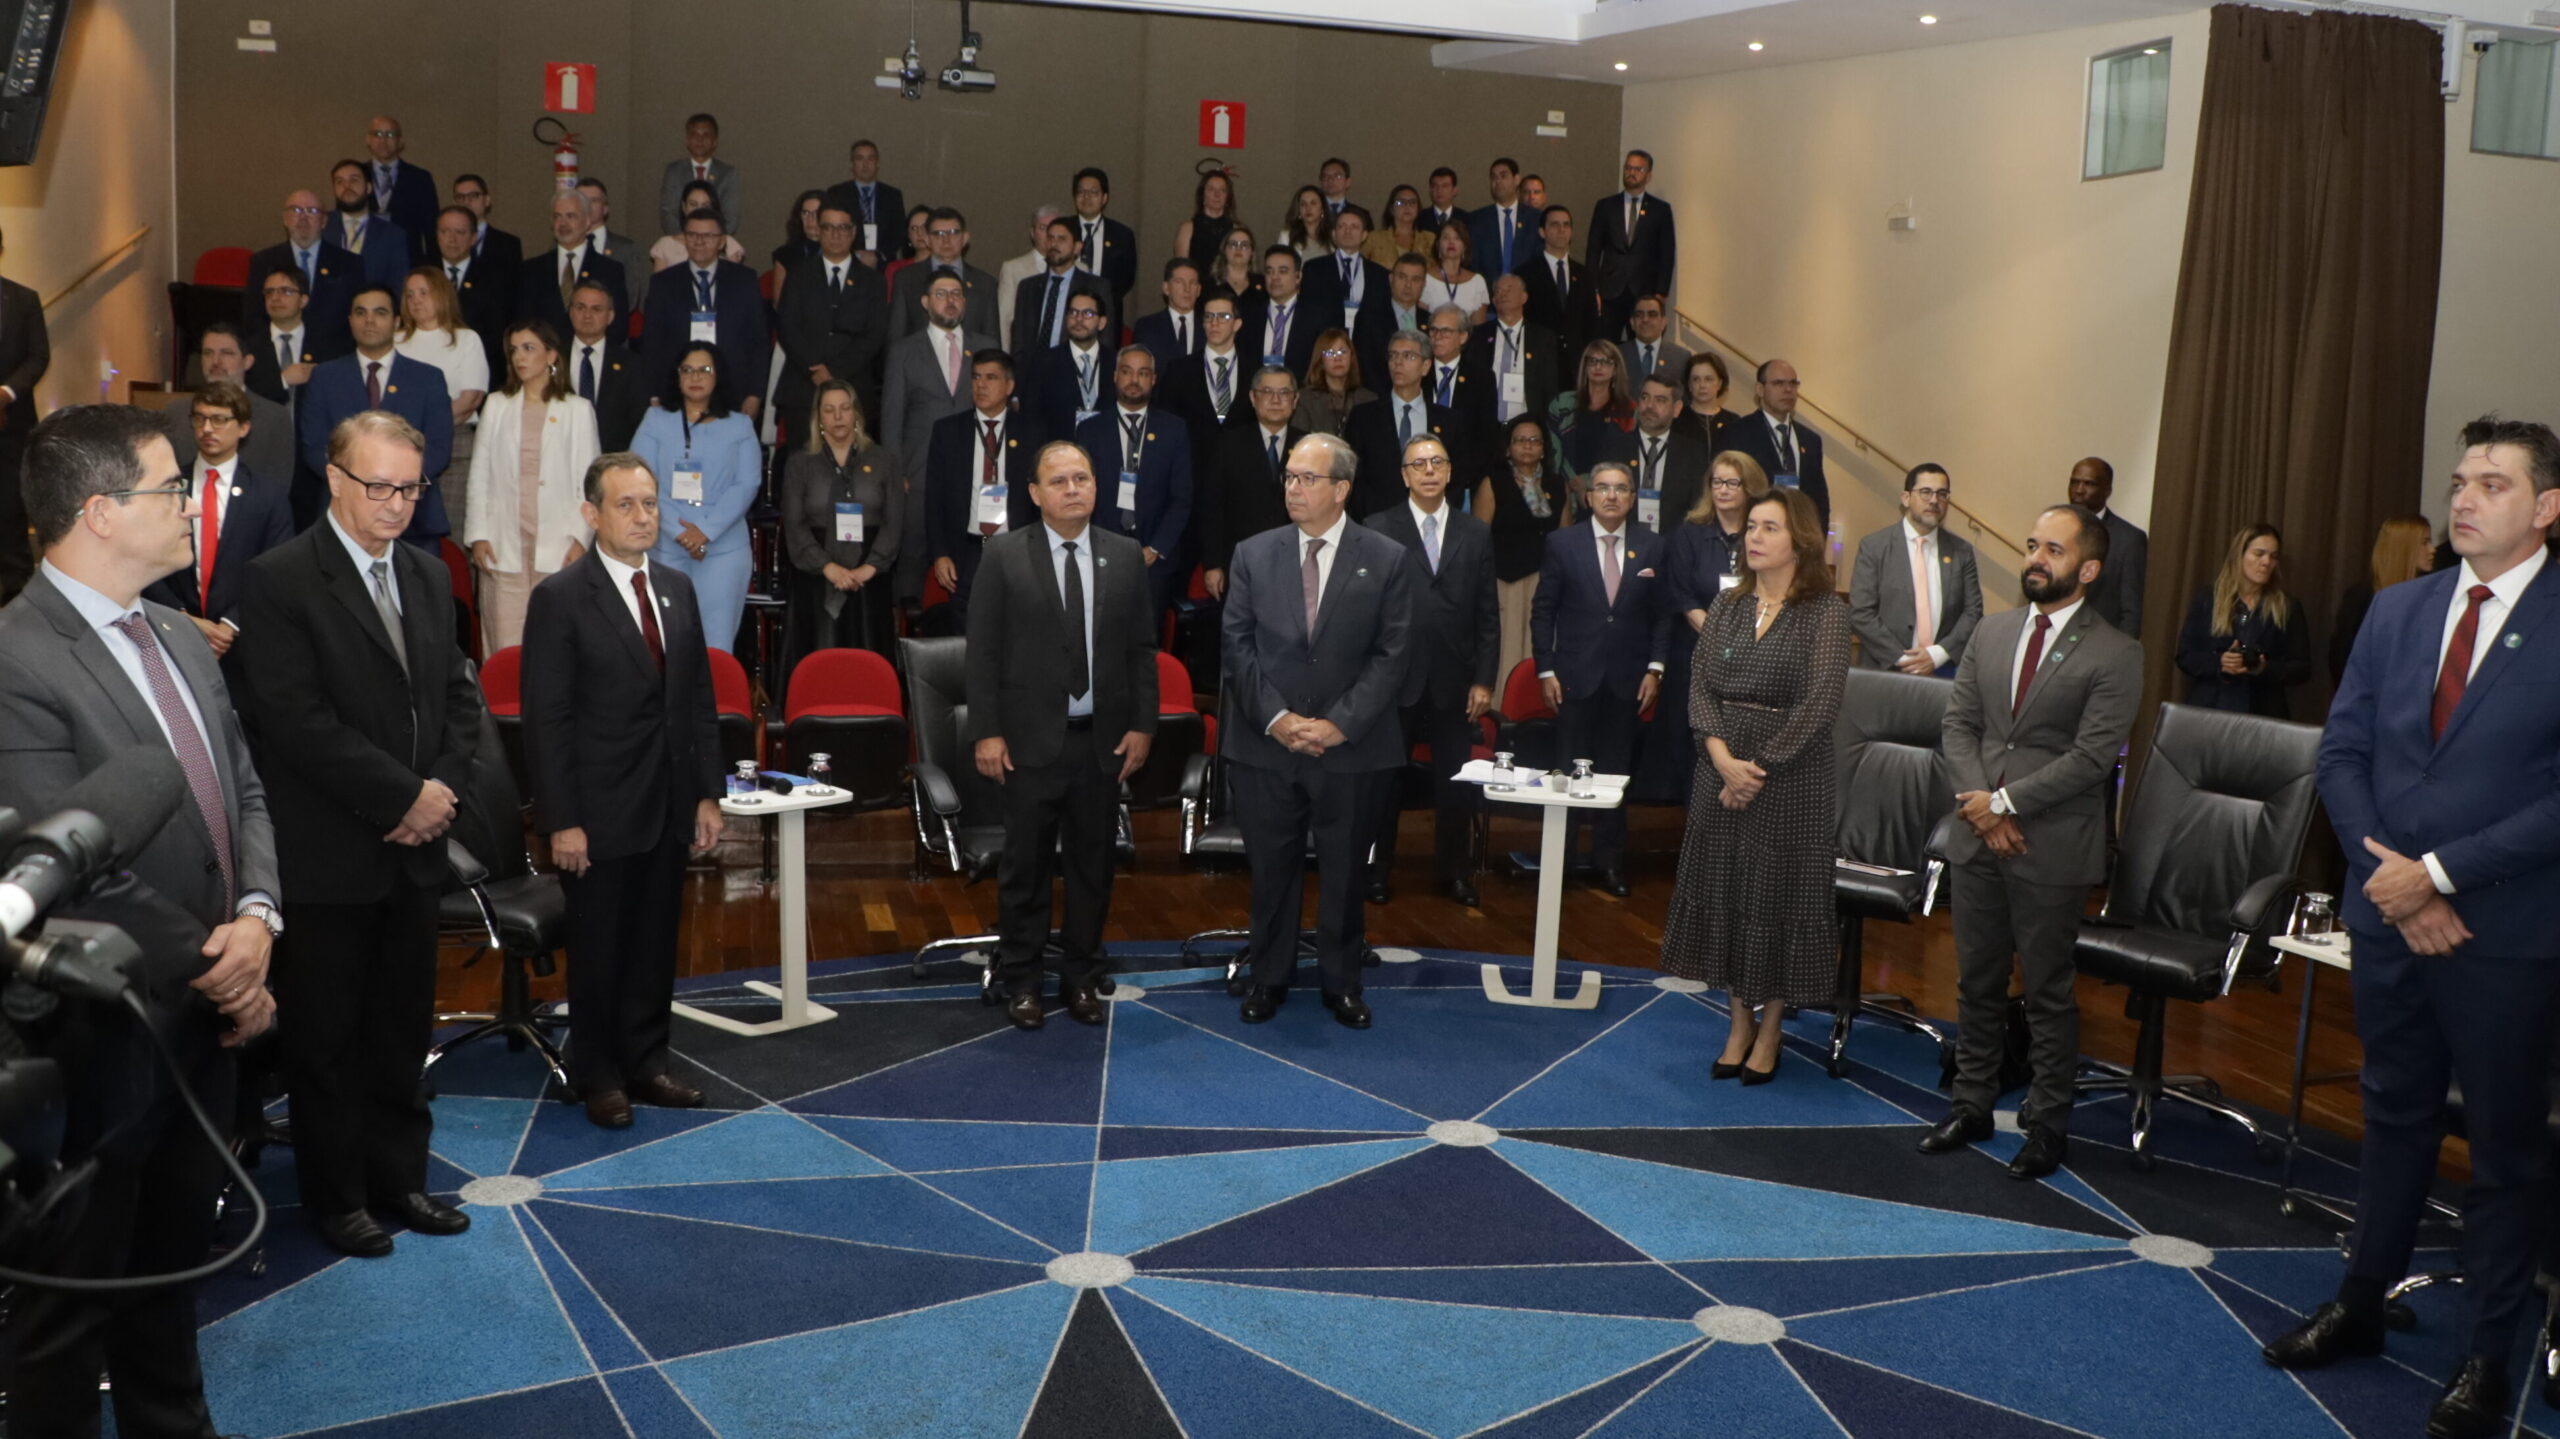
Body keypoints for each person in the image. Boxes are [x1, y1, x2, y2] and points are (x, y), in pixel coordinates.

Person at [2276, 417, 2560, 1439]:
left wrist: (2437, 875)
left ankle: (2487, 1354)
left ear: (2546, 506)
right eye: (2459, 479)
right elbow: (2341, 751)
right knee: (2390, 1115)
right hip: (2390, 918)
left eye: (2493, 480)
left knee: (2501, 1146)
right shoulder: (2398, 610)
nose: (2466, 496)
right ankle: (2361, 1299)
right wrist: (2391, 875)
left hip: (2506, 935)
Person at [0, 404, 280, 1438]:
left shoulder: (179, 630)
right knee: (70, 1304)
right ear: (102, 511)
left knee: (170, 1271)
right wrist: (223, 962)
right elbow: (62, 860)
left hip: (205, 1012)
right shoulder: (17, 654)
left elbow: (242, 787)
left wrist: (256, 914)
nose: (191, 503)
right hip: (94, 1035)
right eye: (172, 487)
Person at [236, 409, 482, 1258]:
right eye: (379, 485)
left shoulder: (426, 574)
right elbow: (295, 723)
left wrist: (439, 788)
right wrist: (402, 797)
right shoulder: (279, 579)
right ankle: (337, 1197)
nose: (396, 503)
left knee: (401, 1029)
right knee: (328, 1039)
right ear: (335, 479)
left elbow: (455, 693)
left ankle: (399, 1179)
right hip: (330, 853)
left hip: (416, 852)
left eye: (411, 487)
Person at [1923, 503, 2141, 1179]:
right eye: (2031, 544)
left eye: (2053, 548)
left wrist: (2007, 802)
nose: (2035, 559)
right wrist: (1983, 810)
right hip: (1979, 834)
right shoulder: (1991, 633)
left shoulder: (2117, 651)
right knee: (1977, 981)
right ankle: (1973, 1102)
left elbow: (2092, 755)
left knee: (2047, 990)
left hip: (2050, 843)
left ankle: (2048, 1123)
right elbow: (1959, 726)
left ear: (2090, 567)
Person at [521, 452, 723, 1129]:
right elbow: (548, 719)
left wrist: (705, 795)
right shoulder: (560, 597)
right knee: (601, 946)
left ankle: (647, 1061)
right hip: (597, 813)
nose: (644, 516)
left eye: (650, 503)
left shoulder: (675, 587)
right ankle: (599, 1072)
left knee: (654, 942)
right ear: (592, 513)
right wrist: (562, 819)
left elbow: (696, 699)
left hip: (667, 805)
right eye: (627, 505)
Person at [1221, 433, 1416, 1029]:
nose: (1294, 489)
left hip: (1351, 749)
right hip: (1266, 744)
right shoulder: (1253, 553)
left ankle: (1341, 983)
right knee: (1272, 872)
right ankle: (1268, 977)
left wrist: (1338, 725)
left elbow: (1394, 653)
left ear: (1342, 489)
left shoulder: (1385, 557)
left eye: (1307, 478)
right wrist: (1279, 720)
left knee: (1344, 872)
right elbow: (1237, 644)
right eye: (1289, 477)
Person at [967, 440, 1157, 1031]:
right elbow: (983, 652)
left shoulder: (1125, 555)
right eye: (1059, 481)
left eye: (1082, 477)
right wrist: (987, 732)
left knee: (1092, 867)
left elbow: (1141, 650)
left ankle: (1081, 976)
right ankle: (1022, 977)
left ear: (1097, 485)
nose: (1072, 489)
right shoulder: (1002, 555)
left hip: (1101, 743)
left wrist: (1143, 725)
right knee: (1024, 868)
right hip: (1026, 743)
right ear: (1034, 493)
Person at [1662, 486, 1850, 1079]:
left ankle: (1770, 1033)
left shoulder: (1825, 612)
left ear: (1800, 540)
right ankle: (1737, 1024)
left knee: (1775, 901)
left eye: (1769, 528)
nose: (1754, 538)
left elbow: (1818, 705)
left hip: (1789, 781)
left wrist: (1754, 772)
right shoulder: (1728, 606)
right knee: (1731, 898)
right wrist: (1720, 759)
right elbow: (1701, 688)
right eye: (1751, 528)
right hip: (1720, 772)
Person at [1364, 433, 1497, 906]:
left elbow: (1487, 614)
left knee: (1454, 785)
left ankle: (1455, 873)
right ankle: (1375, 872)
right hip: (1393, 679)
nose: (1428, 471)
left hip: (1454, 681)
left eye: (1436, 462)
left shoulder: (1475, 532)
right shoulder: (1378, 528)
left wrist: (1484, 678)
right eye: (1418, 464)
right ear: (1404, 475)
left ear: (1449, 471)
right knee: (1383, 784)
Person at [1531, 460, 1668, 896]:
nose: (1611, 496)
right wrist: (1546, 668)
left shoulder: (1652, 547)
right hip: (1573, 677)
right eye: (1603, 488)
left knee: (1614, 776)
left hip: (1627, 680)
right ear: (1588, 497)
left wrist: (1656, 668)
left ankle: (1609, 863)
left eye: (1621, 489)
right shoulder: (1562, 542)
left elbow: (1662, 614)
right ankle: (1562, 863)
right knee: (1568, 774)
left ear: (1633, 499)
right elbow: (1543, 610)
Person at [1638, 452, 1770, 804]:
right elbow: (1680, 594)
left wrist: (1745, 638)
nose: (1723, 490)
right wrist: (1719, 634)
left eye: (1732, 482)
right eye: (1717, 482)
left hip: (1752, 657)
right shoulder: (1690, 532)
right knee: (1690, 743)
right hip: (1695, 655)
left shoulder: (1761, 534)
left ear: (1750, 487)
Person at [465, 319, 599, 652]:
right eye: (514, 350)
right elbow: (479, 474)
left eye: (529, 349)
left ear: (552, 355)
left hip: (559, 542)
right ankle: (504, 706)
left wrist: (580, 537)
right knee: (504, 642)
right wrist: (479, 534)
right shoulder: (496, 405)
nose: (520, 358)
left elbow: (589, 482)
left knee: (555, 642)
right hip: (503, 540)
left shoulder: (577, 410)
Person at [142, 382, 295, 653]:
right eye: (200, 418)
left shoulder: (268, 495)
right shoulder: (167, 487)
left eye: (219, 420)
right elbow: (146, 557)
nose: (207, 429)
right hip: (175, 633)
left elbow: (277, 570)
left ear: (244, 428)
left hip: (243, 642)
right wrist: (183, 618)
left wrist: (230, 624)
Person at [295, 285, 453, 541]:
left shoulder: (428, 379)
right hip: (344, 516)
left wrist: (394, 488)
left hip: (415, 520)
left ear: (396, 321)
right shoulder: (325, 377)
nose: (369, 320)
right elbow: (315, 447)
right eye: (361, 312)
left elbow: (438, 448)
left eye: (379, 312)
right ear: (350, 320)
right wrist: (359, 486)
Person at [632, 344, 759, 652]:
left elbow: (747, 483)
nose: (695, 377)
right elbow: (641, 480)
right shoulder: (656, 419)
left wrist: (705, 531)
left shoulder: (739, 425)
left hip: (724, 549)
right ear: (677, 377)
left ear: (719, 376)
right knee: (666, 642)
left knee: (716, 645)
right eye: (687, 370)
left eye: (705, 369)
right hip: (666, 546)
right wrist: (681, 533)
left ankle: (714, 702)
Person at [881, 272, 997, 601]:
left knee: (974, 564)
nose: (950, 300)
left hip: (976, 476)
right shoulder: (903, 350)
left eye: (957, 294)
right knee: (911, 562)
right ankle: (904, 641)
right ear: (925, 302)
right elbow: (892, 417)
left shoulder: (986, 347)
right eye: (941, 293)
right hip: (918, 476)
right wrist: (895, 471)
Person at [782, 379, 900, 664]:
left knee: (868, 661)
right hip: (816, 576)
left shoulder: (883, 460)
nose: (838, 417)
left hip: (870, 575)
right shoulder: (800, 463)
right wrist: (827, 567)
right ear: (818, 417)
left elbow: (894, 520)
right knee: (822, 659)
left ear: (857, 413)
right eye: (829, 410)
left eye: (845, 408)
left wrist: (871, 567)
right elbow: (794, 523)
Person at [1075, 343, 1193, 625]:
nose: (1134, 380)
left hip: (1153, 562)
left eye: (1143, 373)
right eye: (1127, 372)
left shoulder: (1174, 429)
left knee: (1145, 648)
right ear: (1115, 376)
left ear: (1153, 380)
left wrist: (1155, 549)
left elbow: (1182, 497)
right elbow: (1080, 495)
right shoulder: (1090, 430)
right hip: (1101, 557)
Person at [923, 350, 1041, 625]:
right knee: (968, 635)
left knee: (1016, 632)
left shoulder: (1032, 432)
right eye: (976, 377)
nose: (981, 385)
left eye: (991, 377)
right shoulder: (948, 431)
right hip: (967, 551)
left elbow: (1041, 498)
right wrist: (940, 553)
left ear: (1009, 386)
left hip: (1017, 549)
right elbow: (934, 499)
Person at [1848, 462, 1982, 677]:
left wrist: (1936, 655)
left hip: (1943, 672)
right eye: (1925, 492)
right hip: (1885, 671)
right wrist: (1902, 659)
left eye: (1942, 494)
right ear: (1906, 498)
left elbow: (1973, 612)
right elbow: (1860, 613)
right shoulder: (1874, 547)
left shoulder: (1961, 552)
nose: (1934, 500)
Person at [775, 203, 889, 450]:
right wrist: (815, 369)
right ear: (818, 230)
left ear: (854, 231)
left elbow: (874, 335)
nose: (836, 234)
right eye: (828, 227)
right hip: (803, 387)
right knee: (801, 470)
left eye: (843, 227)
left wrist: (834, 371)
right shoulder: (798, 274)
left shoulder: (873, 281)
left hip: (854, 388)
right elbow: (787, 326)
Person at [640, 207, 768, 423]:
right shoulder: (663, 283)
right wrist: (654, 395)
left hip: (734, 390)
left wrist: (755, 394)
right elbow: (652, 343)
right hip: (677, 392)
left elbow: (758, 341)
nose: (699, 241)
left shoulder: (744, 280)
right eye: (692, 235)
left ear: (721, 241)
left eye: (708, 236)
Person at [2175, 523, 2309, 717]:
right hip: (2211, 709)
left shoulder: (2288, 606)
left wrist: (2264, 668)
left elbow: (2301, 668)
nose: (2266, 562)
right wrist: (2220, 662)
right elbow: (2185, 656)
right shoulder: (2208, 599)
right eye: (2259, 554)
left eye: (2273, 556)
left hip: (2262, 713)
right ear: (2240, 555)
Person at [1477, 414, 1570, 680]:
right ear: (1508, 447)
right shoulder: (1493, 483)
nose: (1527, 445)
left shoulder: (1557, 485)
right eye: (1520, 440)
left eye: (1534, 440)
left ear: (1544, 449)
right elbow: (1478, 542)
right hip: (1504, 582)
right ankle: (1501, 716)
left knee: (1538, 650)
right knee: (1505, 651)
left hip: (1546, 582)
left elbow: (1565, 539)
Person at [1200, 364, 1305, 600]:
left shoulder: (1308, 446)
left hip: (1296, 564)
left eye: (1284, 393)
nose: (1276, 400)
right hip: (1239, 563)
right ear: (1252, 397)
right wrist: (1213, 564)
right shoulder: (1228, 443)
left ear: (1295, 399)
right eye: (1267, 392)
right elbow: (1212, 508)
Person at [394, 267, 491, 519]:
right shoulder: (396, 340)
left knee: (451, 526)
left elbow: (470, 399)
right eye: (410, 294)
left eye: (423, 293)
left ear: (442, 295)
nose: (416, 300)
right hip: (401, 444)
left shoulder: (466, 339)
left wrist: (429, 427)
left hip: (455, 446)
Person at [158, 322, 293, 488]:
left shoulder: (275, 417)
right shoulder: (175, 413)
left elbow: (279, 486)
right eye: (208, 353)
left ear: (247, 361)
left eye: (226, 353)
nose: (215, 361)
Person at [1344, 331, 1456, 517]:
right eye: (1393, 355)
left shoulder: (1449, 421)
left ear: (1426, 366)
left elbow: (1455, 480)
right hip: (1376, 524)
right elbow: (1353, 476)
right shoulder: (1363, 417)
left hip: (1431, 522)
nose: (1398, 362)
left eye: (1408, 356)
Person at [245, 190, 359, 356]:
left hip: (333, 358)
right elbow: (253, 317)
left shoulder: (349, 264)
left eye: (312, 211)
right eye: (296, 210)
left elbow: (353, 318)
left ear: (324, 221)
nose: (303, 217)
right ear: (285, 219)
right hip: (279, 355)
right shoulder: (263, 261)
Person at [1725, 358, 1831, 531]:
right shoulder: (1737, 433)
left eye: (1793, 383)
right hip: (1755, 534)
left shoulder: (1810, 440)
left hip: (1800, 537)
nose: (1788, 390)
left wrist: (1817, 541)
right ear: (1760, 389)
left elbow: (1820, 499)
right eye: (1778, 383)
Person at [2329, 514, 2435, 686]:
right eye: (2424, 543)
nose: (2432, 549)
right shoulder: (2362, 597)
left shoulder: (2431, 597)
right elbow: (2342, 660)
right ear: (2404, 547)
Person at [516, 187, 627, 346]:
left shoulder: (610, 270)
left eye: (571, 216)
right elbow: (523, 322)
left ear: (587, 221)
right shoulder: (532, 270)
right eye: (557, 216)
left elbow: (618, 327)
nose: (563, 223)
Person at [1588, 149, 1677, 340]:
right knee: (1606, 346)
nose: (1631, 172)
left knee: (1641, 347)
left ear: (1649, 175)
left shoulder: (1660, 210)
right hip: (1610, 292)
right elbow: (1593, 250)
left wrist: (1661, 294)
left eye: (1638, 169)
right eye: (1628, 167)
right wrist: (1593, 289)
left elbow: (1667, 254)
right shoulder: (1606, 206)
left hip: (1645, 293)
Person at [889, 207, 1001, 346]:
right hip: (920, 364)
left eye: (954, 233)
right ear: (928, 240)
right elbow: (896, 337)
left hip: (970, 364)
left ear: (965, 238)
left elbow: (992, 339)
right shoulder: (906, 278)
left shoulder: (985, 283)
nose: (946, 240)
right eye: (938, 233)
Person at [2068, 456, 2149, 639]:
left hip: (2096, 643)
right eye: (2074, 483)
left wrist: (2119, 656)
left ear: (2107, 490)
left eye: (2089, 484)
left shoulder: (2129, 539)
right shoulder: (2054, 526)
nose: (2079, 491)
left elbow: (2131, 610)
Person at [1012, 214, 1114, 358]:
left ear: (1077, 247)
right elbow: (1019, 339)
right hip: (1032, 371)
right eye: (1050, 238)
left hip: (1073, 370)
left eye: (1061, 239)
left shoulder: (1096, 286)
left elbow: (1106, 338)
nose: (1054, 244)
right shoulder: (1028, 287)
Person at [564, 279, 648, 452]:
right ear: (571, 312)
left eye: (596, 309)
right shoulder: (552, 358)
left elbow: (638, 423)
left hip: (611, 463)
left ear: (610, 316)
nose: (587, 315)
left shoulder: (631, 365)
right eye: (580, 308)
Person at [1170, 290, 1253, 464]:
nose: (1214, 323)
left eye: (1223, 316)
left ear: (1237, 324)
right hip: (1192, 464)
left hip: (1240, 465)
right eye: (1209, 316)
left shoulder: (1254, 370)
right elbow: (1168, 422)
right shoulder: (1179, 370)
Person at [1021, 290, 1114, 440]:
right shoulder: (1044, 362)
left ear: (1102, 322)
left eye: (1088, 314)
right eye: (1073, 312)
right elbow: (1031, 417)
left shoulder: (1116, 362)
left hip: (1105, 451)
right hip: (1059, 452)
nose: (1079, 319)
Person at [1470, 274, 1562, 426]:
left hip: (1527, 424)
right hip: (1487, 424)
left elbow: (1550, 386)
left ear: (1524, 297)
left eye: (1509, 289)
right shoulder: (1478, 336)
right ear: (1493, 301)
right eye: (1498, 291)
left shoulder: (1543, 338)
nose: (1503, 294)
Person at [1549, 339, 1637, 483]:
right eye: (1593, 361)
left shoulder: (1628, 410)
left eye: (1606, 361)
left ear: (1616, 369)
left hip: (1609, 488)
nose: (1598, 366)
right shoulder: (1563, 404)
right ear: (1585, 366)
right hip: (1567, 486)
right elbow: (1553, 451)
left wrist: (1591, 483)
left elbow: (1627, 457)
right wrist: (1572, 483)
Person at [246, 265, 331, 415]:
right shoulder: (249, 346)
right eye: (269, 292)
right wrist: (283, 380)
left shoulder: (325, 345)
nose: (275, 298)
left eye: (286, 291)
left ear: (303, 300)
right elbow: (244, 396)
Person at [1628, 372, 1709, 529]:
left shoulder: (1693, 453)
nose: (1649, 406)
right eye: (1645, 397)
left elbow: (1697, 510)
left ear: (1677, 409)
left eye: (1660, 400)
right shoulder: (1615, 445)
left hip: (1672, 546)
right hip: (1623, 543)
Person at [1519, 202, 1598, 353]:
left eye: (1566, 225)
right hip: (1540, 353)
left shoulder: (1583, 273)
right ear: (1542, 232)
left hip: (1576, 356)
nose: (1562, 230)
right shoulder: (1526, 273)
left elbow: (1591, 320)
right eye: (1555, 224)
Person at [363, 115, 437, 263]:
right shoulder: (356, 176)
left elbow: (431, 230)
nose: (383, 140)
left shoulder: (420, 178)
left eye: (390, 135)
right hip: (364, 261)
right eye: (378, 134)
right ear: (368, 140)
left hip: (408, 262)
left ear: (400, 142)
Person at [325, 159, 409, 289]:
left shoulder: (393, 235)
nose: (346, 187)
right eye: (339, 182)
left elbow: (398, 286)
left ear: (369, 187)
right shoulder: (321, 226)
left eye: (354, 180)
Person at [1303, 206, 1386, 337]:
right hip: (1327, 343)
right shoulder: (1314, 269)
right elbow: (1308, 313)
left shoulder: (1379, 274)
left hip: (1365, 349)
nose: (1348, 231)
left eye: (1354, 227)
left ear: (1364, 235)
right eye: (1342, 226)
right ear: (1334, 233)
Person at [1353, 253, 1433, 389]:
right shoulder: (1369, 318)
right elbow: (1364, 366)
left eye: (1416, 279)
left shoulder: (1431, 321)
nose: (1408, 285)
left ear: (1423, 284)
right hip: (1381, 399)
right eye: (1402, 277)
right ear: (1391, 279)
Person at [822, 138, 905, 267]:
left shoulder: (892, 195)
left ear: (877, 163)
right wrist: (857, 255)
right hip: (846, 261)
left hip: (883, 264)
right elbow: (830, 229)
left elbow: (898, 233)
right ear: (852, 164)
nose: (865, 164)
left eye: (870, 159)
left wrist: (878, 255)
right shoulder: (837, 193)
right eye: (860, 159)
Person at [659, 112, 742, 239]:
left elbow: (731, 218)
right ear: (687, 140)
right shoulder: (674, 171)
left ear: (715, 141)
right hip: (680, 242)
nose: (700, 139)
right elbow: (667, 212)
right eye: (694, 134)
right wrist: (687, 238)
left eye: (706, 135)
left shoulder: (727, 174)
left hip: (716, 245)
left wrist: (710, 241)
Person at [573, 178, 646, 311]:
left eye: (594, 201)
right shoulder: (560, 246)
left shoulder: (625, 249)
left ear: (605, 208)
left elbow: (630, 298)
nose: (587, 206)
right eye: (581, 200)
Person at [1247, 246, 1321, 377]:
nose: (1274, 277)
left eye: (1283, 271)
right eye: (1269, 271)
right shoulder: (1250, 315)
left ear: (1298, 277)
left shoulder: (1316, 318)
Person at [1069, 166, 1138, 305]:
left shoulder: (1122, 235)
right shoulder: (1063, 230)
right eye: (1081, 191)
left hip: (1107, 310)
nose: (1086, 197)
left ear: (1104, 198)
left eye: (1093, 192)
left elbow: (1126, 280)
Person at [646, 181, 749, 272]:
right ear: (684, 207)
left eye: (705, 206)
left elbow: (733, 286)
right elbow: (659, 290)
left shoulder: (727, 243)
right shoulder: (666, 245)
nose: (699, 210)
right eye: (693, 204)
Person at [997, 204, 1066, 341]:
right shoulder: (1013, 269)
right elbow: (1004, 321)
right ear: (1032, 233)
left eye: (1054, 228)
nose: (1049, 234)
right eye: (1043, 228)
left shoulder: (1081, 268)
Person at [1468, 157, 1536, 283]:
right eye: (1493, 177)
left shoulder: (1535, 219)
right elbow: (1472, 263)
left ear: (1516, 179)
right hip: (1488, 294)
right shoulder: (1476, 220)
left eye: (1503, 176)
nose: (1497, 181)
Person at [1294, 328, 1371, 438]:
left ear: (1351, 357)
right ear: (1320, 359)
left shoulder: (1368, 399)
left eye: (1342, 352)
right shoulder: (1305, 399)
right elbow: (1299, 442)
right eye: (1330, 353)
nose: (1337, 358)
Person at [1132, 257, 1207, 368]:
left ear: (1199, 290)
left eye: (1192, 283)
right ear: (1166, 288)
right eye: (1179, 282)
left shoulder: (1209, 326)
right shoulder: (1147, 327)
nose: (1187, 289)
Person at [450, 172, 524, 286]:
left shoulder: (508, 245)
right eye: (460, 197)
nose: (466, 202)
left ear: (487, 200)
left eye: (473, 196)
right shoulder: (440, 243)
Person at [1177, 167, 1238, 276]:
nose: (1217, 195)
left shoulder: (1236, 230)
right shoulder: (1188, 228)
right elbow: (1181, 270)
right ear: (1202, 196)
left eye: (1222, 190)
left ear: (1228, 197)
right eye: (1211, 189)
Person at [1425, 221, 1489, 326]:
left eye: (1457, 238)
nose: (1451, 242)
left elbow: (1479, 327)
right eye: (1446, 238)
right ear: (1438, 245)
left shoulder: (1477, 281)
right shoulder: (1425, 278)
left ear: (1464, 246)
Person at [1621, 295, 1690, 392]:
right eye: (1640, 315)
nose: (1645, 320)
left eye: (1652, 315)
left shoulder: (1681, 357)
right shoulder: (1618, 354)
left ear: (1663, 322)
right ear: (1632, 323)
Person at [1673, 349, 1735, 450]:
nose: (1702, 385)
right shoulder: (1676, 419)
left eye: (1708, 379)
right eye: (1696, 379)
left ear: (1719, 383)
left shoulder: (1733, 422)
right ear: (1689, 385)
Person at [1366, 187, 1432, 269]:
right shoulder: (1374, 239)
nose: (1407, 206)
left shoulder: (1430, 239)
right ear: (1391, 209)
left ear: (1418, 209)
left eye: (1412, 202)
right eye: (1401, 202)